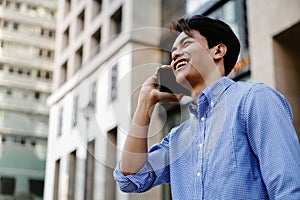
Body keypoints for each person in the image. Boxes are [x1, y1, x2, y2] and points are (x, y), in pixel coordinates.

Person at [113, 15, 300, 199]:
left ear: (218, 51)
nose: (175, 54)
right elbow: (130, 178)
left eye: (186, 44)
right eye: (173, 51)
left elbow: (288, 188)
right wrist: (145, 102)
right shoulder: (179, 138)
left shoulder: (254, 99)